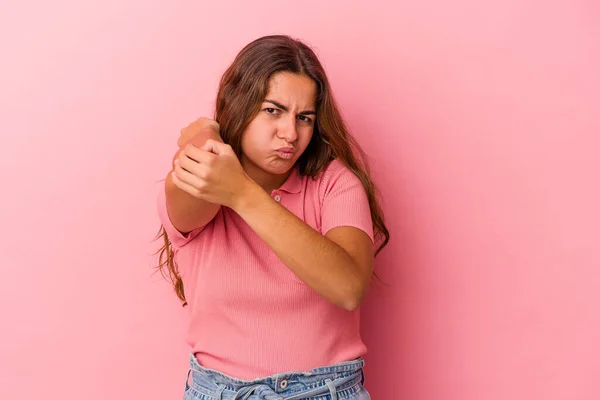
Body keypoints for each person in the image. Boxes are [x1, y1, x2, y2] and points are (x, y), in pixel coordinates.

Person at [155, 34, 389, 400]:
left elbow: (348, 288)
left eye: (305, 117)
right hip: (218, 391)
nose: (291, 134)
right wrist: (207, 132)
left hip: (325, 391)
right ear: (239, 105)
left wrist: (243, 194)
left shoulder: (335, 185)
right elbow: (192, 178)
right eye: (273, 110)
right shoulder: (201, 183)